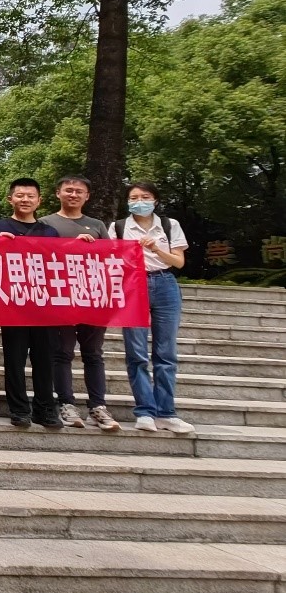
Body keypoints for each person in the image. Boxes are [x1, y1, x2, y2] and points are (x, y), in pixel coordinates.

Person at [115, 179, 194, 436]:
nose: (140, 202)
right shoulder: (117, 227)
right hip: (133, 286)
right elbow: (110, 259)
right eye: (134, 197)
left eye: (145, 197)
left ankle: (167, 412)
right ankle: (145, 411)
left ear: (155, 200)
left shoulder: (170, 226)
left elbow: (179, 262)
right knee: (136, 352)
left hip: (165, 283)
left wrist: (157, 248)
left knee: (166, 352)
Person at [41, 175, 119, 432]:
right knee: (62, 353)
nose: (73, 194)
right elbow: (38, 257)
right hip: (60, 297)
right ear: (58, 193)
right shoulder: (46, 223)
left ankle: (98, 405)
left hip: (94, 297)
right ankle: (66, 403)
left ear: (87, 196)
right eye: (69, 190)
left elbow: (112, 258)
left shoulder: (96, 225)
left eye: (79, 191)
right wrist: (69, 247)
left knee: (93, 354)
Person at [0, 178, 64, 430]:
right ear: (10, 199)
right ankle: (19, 409)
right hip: (12, 303)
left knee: (44, 359)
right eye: (20, 195)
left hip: (44, 305)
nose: (25, 200)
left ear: (39, 201)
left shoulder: (49, 232)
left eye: (30, 196)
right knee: (14, 358)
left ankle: (45, 408)